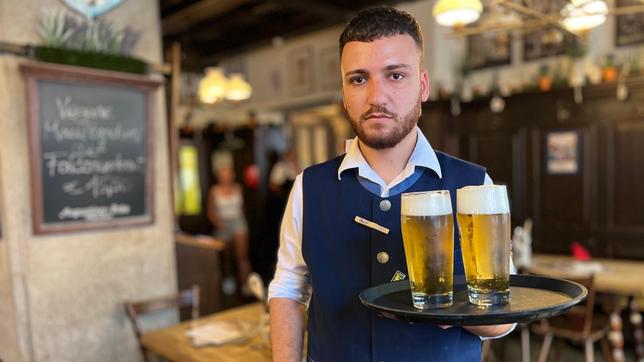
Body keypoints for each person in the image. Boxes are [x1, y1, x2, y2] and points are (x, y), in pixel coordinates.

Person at [268, 6, 515, 361]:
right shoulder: (309, 187)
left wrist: (454, 304)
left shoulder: (475, 186)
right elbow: (289, 290)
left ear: (423, 86)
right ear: (343, 92)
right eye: (358, 79)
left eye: (395, 76)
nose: (376, 97)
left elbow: (503, 320)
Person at [208, 164, 252, 294]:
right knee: (226, 256)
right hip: (222, 224)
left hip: (238, 221)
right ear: (219, 177)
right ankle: (229, 279)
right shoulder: (214, 191)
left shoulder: (239, 188)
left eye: (228, 174)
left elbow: (243, 208)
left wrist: (241, 220)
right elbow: (210, 212)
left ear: (232, 175)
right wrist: (218, 223)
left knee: (242, 256)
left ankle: (246, 285)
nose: (226, 177)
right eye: (223, 175)